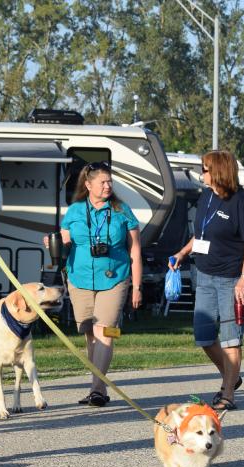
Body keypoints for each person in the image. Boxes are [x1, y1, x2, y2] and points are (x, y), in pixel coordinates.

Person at [54, 162, 143, 407]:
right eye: (102, 182)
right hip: (79, 278)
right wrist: (55, 243)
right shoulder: (74, 211)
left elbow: (134, 247)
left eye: (109, 181)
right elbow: (65, 241)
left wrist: (137, 286)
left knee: (105, 331)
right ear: (88, 184)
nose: (108, 186)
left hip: (115, 277)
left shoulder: (122, 210)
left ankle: (95, 388)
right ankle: (100, 389)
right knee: (89, 333)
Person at [169, 150, 244, 410]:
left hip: (231, 279)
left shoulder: (240, 202)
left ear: (217, 172)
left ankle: (228, 392)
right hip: (203, 275)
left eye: (204, 169)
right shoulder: (206, 196)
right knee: (204, 337)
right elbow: (201, 235)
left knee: (230, 338)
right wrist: (182, 252)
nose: (200, 173)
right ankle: (232, 376)